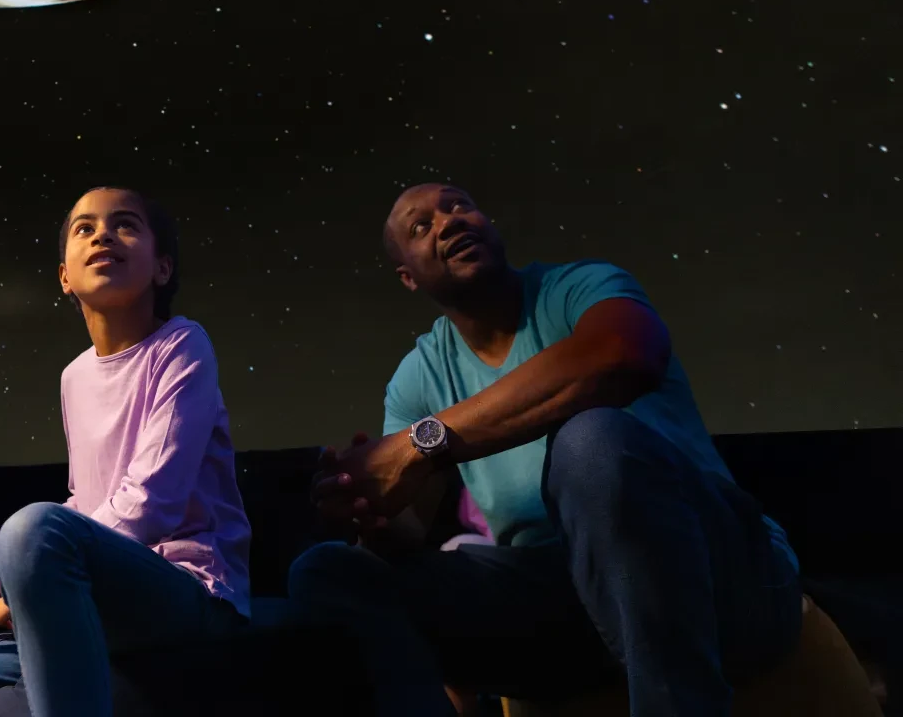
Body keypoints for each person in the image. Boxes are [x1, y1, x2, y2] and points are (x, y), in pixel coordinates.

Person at [292, 184, 803, 717]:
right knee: (329, 571)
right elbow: (410, 529)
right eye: (421, 227)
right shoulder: (417, 378)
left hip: (723, 586)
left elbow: (623, 354)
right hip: (563, 611)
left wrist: (424, 444)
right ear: (407, 276)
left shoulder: (579, 288)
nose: (448, 222)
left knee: (591, 441)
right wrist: (369, 511)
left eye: (459, 205)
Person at [0, 187, 252, 717]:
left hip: (188, 591)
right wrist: (4, 568)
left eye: (125, 225)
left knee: (31, 528)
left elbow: (153, 502)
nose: (103, 234)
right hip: (98, 600)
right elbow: (85, 500)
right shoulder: (74, 377)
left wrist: (22, 576)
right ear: (65, 276)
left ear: (162, 267)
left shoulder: (182, 344)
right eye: (84, 229)